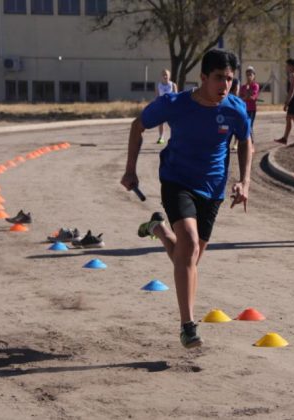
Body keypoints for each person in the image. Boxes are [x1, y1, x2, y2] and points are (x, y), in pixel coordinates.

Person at [121, 49, 254, 349]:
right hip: (177, 180)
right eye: (219, 78)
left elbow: (246, 142)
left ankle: (158, 229)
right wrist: (130, 170)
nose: (225, 85)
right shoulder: (174, 103)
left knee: (187, 258)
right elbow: (137, 126)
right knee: (190, 246)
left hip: (214, 189)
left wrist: (245, 181)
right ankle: (188, 327)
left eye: (230, 79)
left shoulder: (235, 109)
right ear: (203, 77)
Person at [274, 58, 294, 146]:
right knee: (289, 119)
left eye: (287, 65)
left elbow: (292, 90)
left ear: (291, 66)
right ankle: (285, 138)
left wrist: (287, 102)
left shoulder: (293, 76)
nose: (286, 67)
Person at [231, 66, 259, 152]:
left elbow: (253, 97)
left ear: (254, 75)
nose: (249, 76)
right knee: (239, 126)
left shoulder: (255, 86)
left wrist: (247, 94)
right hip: (243, 108)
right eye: (247, 74)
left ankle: (252, 146)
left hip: (251, 109)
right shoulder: (243, 87)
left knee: (249, 127)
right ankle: (236, 143)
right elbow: (240, 98)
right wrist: (246, 96)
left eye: (250, 74)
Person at [155, 69, 178, 144]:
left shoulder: (173, 85)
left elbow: (176, 96)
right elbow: (157, 97)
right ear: (161, 76)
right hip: (162, 107)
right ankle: (161, 137)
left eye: (166, 75)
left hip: (171, 107)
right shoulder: (159, 85)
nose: (165, 76)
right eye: (163, 75)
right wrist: (157, 105)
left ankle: (175, 137)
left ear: (169, 76)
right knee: (160, 122)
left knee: (173, 123)